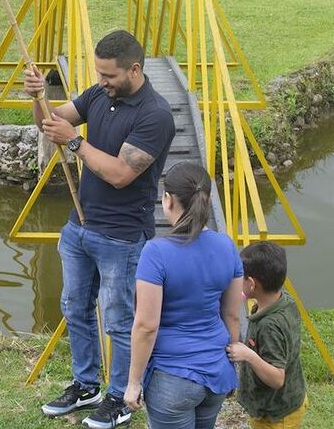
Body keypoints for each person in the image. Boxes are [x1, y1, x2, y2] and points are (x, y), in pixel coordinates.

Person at [25, 30, 175, 429]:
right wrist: (38, 99)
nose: (102, 81)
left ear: (135, 69)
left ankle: (119, 397)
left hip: (123, 236)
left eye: (109, 75)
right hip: (80, 227)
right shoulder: (98, 94)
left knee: (120, 319)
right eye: (99, 73)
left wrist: (75, 142)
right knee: (75, 307)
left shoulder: (155, 115)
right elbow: (51, 124)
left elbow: (122, 174)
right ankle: (86, 384)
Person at [123, 162, 244, 429]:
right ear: (208, 200)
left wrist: (133, 382)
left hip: (172, 378)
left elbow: (146, 326)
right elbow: (232, 315)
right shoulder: (226, 245)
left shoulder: (156, 253)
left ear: (166, 200)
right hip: (216, 372)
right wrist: (231, 368)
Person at [227, 242, 307, 429]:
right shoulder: (284, 300)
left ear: (252, 284)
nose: (238, 281)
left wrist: (248, 355)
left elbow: (277, 378)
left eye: (241, 277)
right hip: (289, 400)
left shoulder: (269, 326)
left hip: (276, 416)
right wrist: (243, 296)